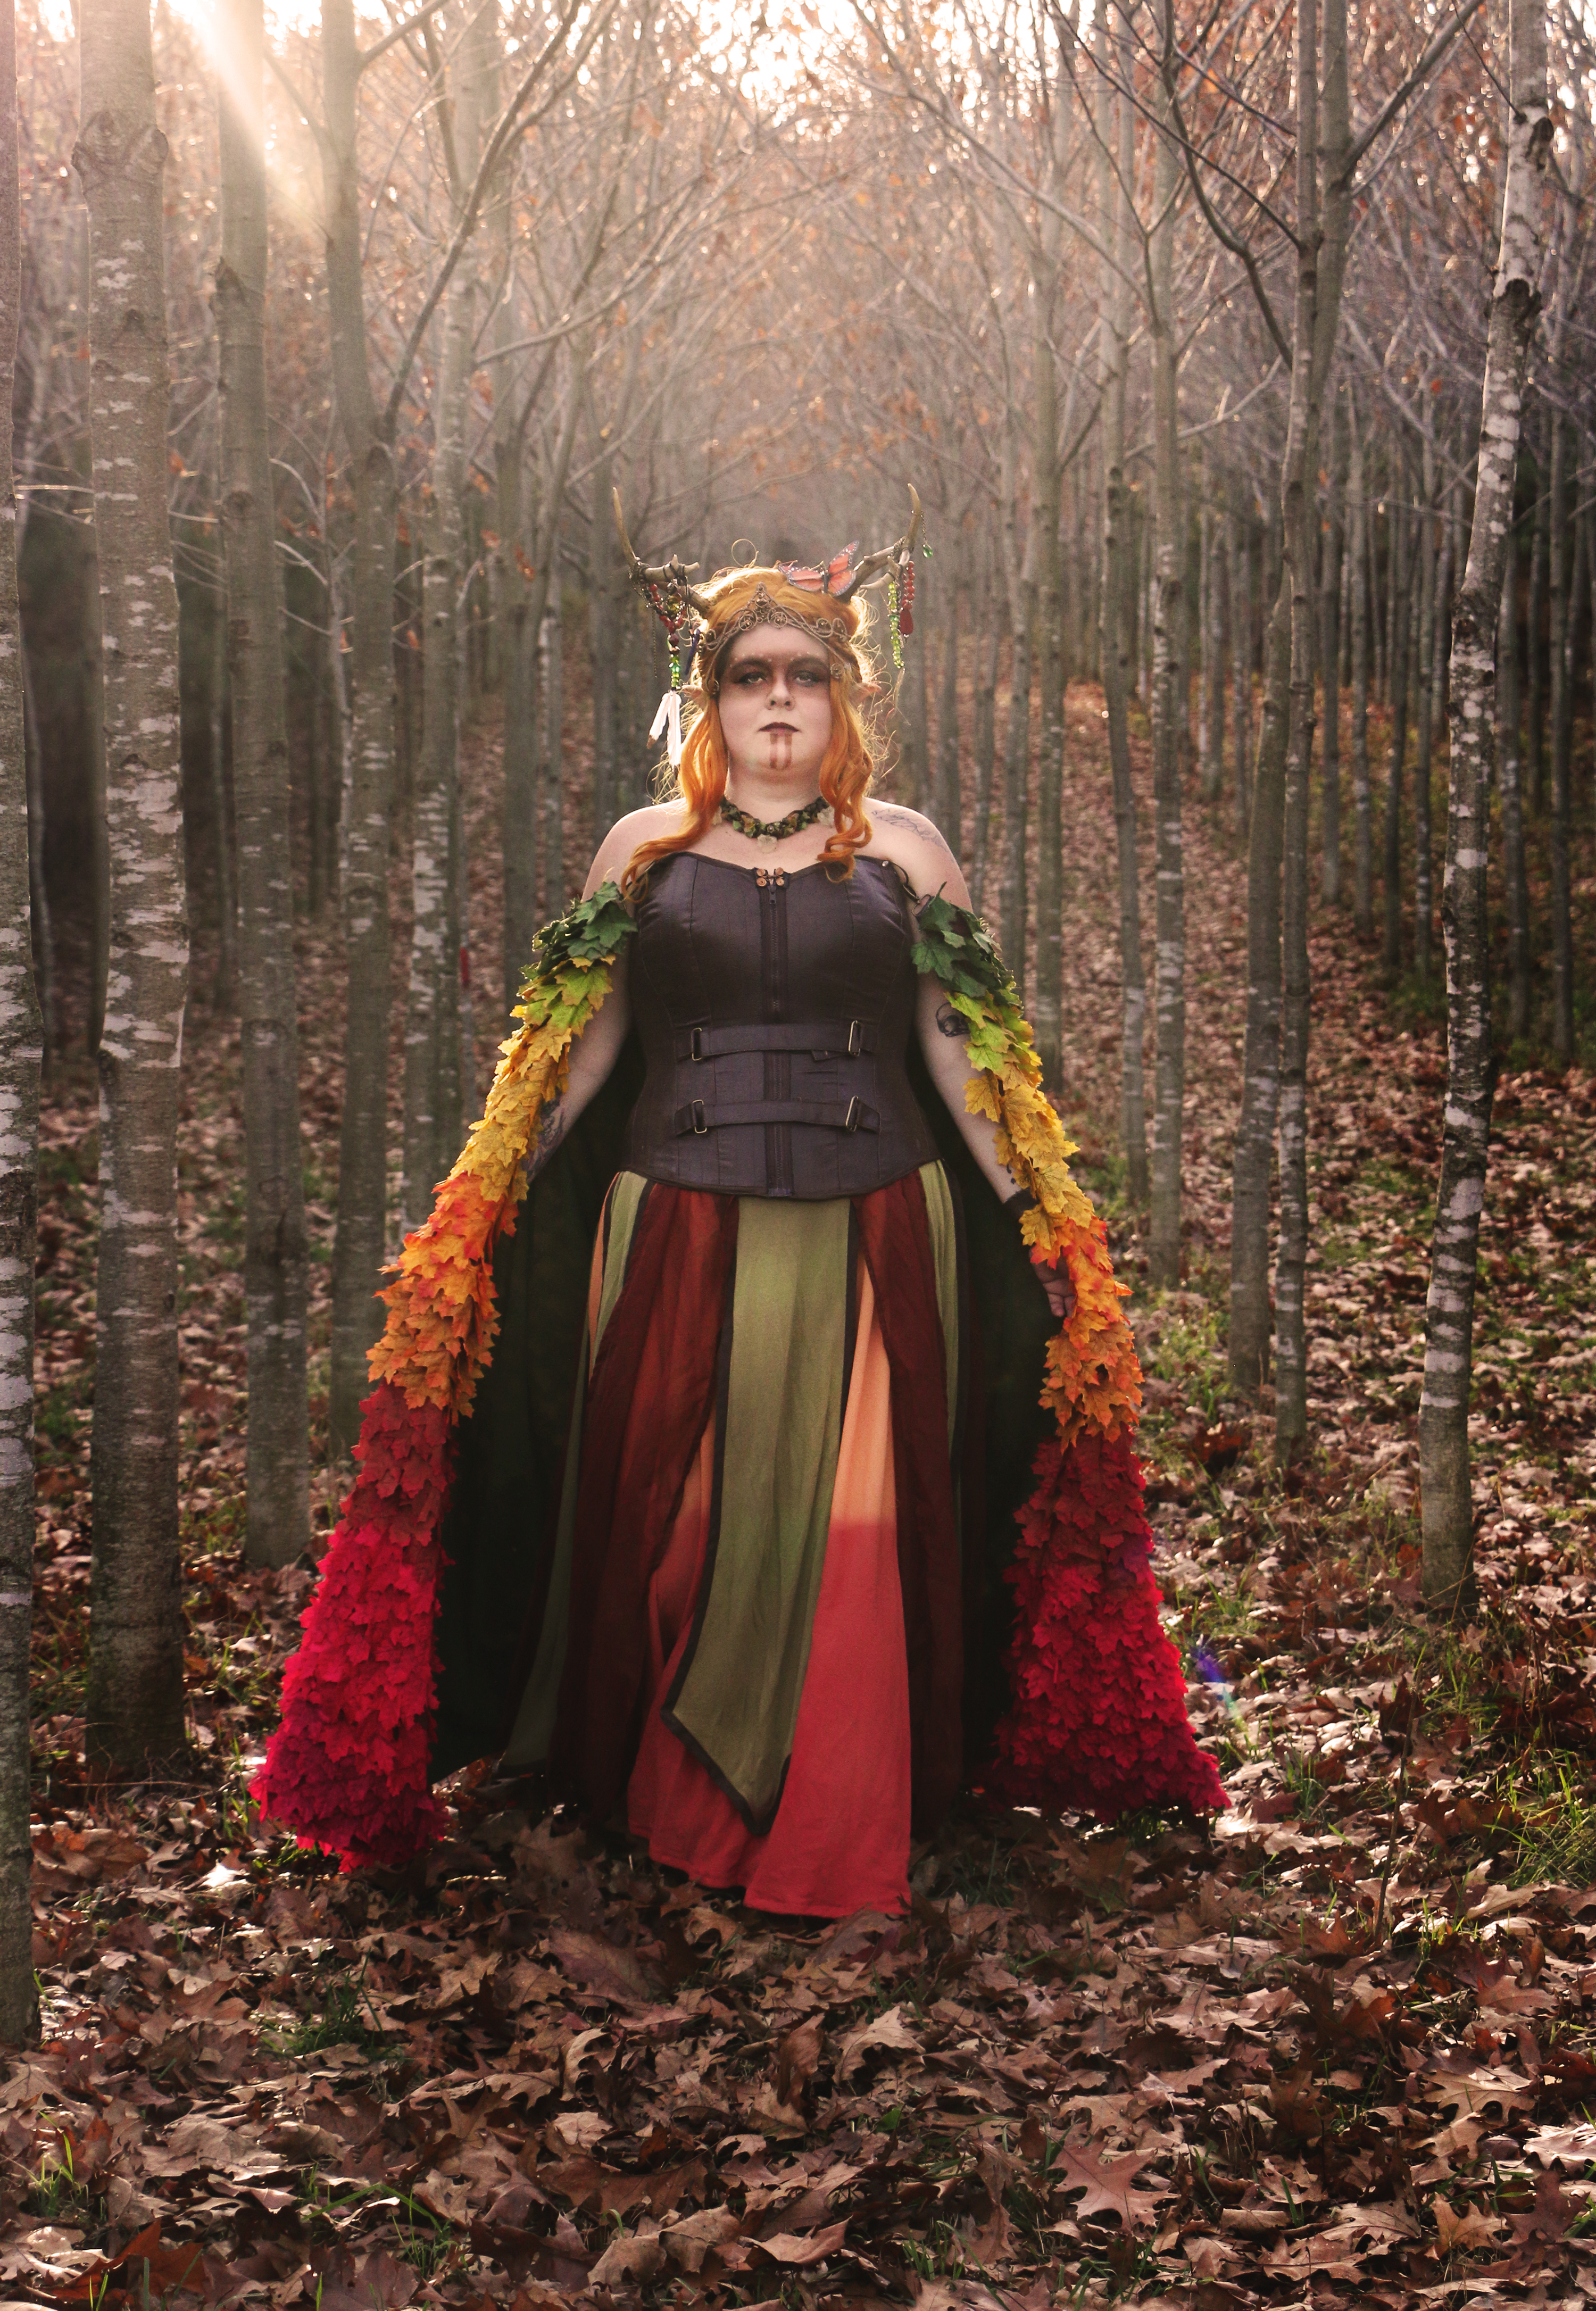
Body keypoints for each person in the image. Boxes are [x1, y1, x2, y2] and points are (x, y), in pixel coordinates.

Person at [254, 496, 1224, 1911]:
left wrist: (1050, 1228)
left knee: (857, 1527)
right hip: (676, 1233)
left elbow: (971, 1062)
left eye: (806, 677)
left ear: (846, 698)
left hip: (877, 1234)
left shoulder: (910, 856)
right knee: (681, 1514)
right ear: (707, 702)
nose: (780, 702)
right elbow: (572, 1060)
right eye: (751, 678)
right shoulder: (639, 855)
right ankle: (676, 1796)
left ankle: (837, 1816)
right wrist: (484, 1204)